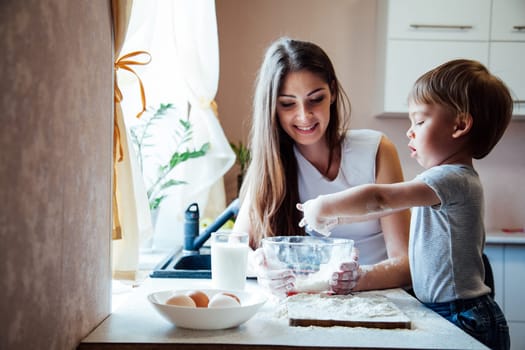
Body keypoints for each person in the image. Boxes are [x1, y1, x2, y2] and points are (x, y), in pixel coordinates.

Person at [298, 59, 511, 350]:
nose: (410, 131)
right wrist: (339, 220)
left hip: (463, 316)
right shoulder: (445, 180)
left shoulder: (452, 179)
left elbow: (379, 198)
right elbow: (386, 208)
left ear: (460, 124)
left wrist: (322, 206)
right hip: (449, 310)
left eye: (420, 121)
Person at [233, 37, 411, 296]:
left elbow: (405, 264)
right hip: (308, 300)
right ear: (272, 107)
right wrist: (260, 268)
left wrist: (357, 279)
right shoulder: (272, 165)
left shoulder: (377, 150)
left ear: (333, 92)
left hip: (380, 299)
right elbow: (236, 247)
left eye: (315, 99)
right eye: (287, 104)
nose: (304, 115)